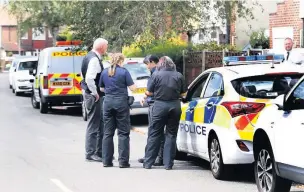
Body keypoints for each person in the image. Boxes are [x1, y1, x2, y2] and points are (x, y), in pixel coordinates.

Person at [143, 56, 187, 170]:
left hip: (159, 106)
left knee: (154, 134)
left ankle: (148, 163)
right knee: (171, 135)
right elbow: (184, 94)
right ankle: (168, 164)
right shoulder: (179, 75)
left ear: (160, 64)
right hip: (174, 106)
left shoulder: (156, 75)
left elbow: (149, 92)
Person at [99, 53, 136, 168]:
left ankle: (106, 161)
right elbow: (133, 88)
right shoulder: (124, 72)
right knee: (123, 133)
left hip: (108, 103)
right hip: (121, 104)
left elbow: (101, 88)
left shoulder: (104, 72)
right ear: (121, 61)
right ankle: (123, 162)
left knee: (107, 133)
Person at [81, 38, 108, 162]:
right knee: (94, 124)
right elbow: (89, 79)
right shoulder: (94, 59)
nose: (106, 48)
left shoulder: (88, 57)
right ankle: (90, 153)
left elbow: (83, 77)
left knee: (98, 123)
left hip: (89, 94)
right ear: (102, 47)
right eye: (106, 46)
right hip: (93, 96)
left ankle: (98, 151)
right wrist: (95, 92)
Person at [138, 55, 164, 166]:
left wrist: (146, 95)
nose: (147, 67)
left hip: (155, 104)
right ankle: (150, 156)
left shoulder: (156, 72)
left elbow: (154, 90)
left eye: (147, 64)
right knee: (154, 132)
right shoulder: (158, 71)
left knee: (155, 132)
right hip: (155, 104)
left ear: (152, 62)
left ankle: (156, 157)